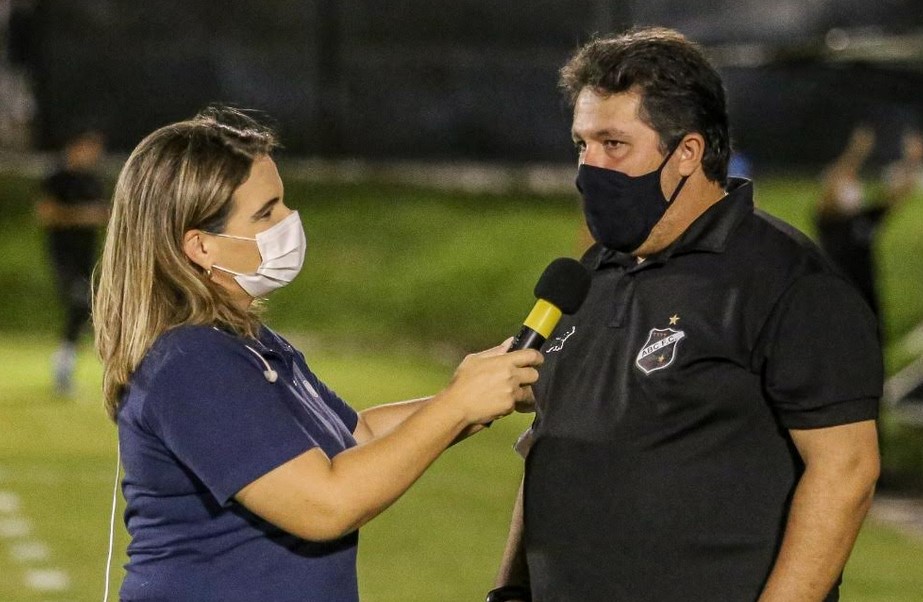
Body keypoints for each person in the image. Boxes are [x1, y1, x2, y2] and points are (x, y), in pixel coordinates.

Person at [489, 28, 881, 602]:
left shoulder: (788, 282)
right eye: (581, 145)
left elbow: (845, 472)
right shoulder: (592, 275)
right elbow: (554, 439)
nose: (587, 168)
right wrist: (510, 589)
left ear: (688, 153)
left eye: (613, 144)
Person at [92, 106, 543, 601]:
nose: (289, 220)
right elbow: (324, 505)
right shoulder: (190, 362)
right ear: (201, 246)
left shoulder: (246, 340)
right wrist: (457, 404)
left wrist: (478, 390)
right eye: (266, 212)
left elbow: (356, 435)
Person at [815, 125, 920, 322]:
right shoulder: (830, 221)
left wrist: (912, 160)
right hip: (839, 300)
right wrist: (856, 152)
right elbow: (832, 185)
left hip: (866, 304)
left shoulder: (864, 218)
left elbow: (894, 197)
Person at [35, 128, 109, 396]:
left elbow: (103, 214)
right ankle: (63, 367)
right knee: (81, 303)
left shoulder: (92, 181)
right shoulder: (57, 178)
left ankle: (67, 366)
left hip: (87, 258)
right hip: (63, 257)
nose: (94, 154)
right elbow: (46, 214)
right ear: (75, 146)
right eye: (90, 147)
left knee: (88, 310)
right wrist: (83, 215)